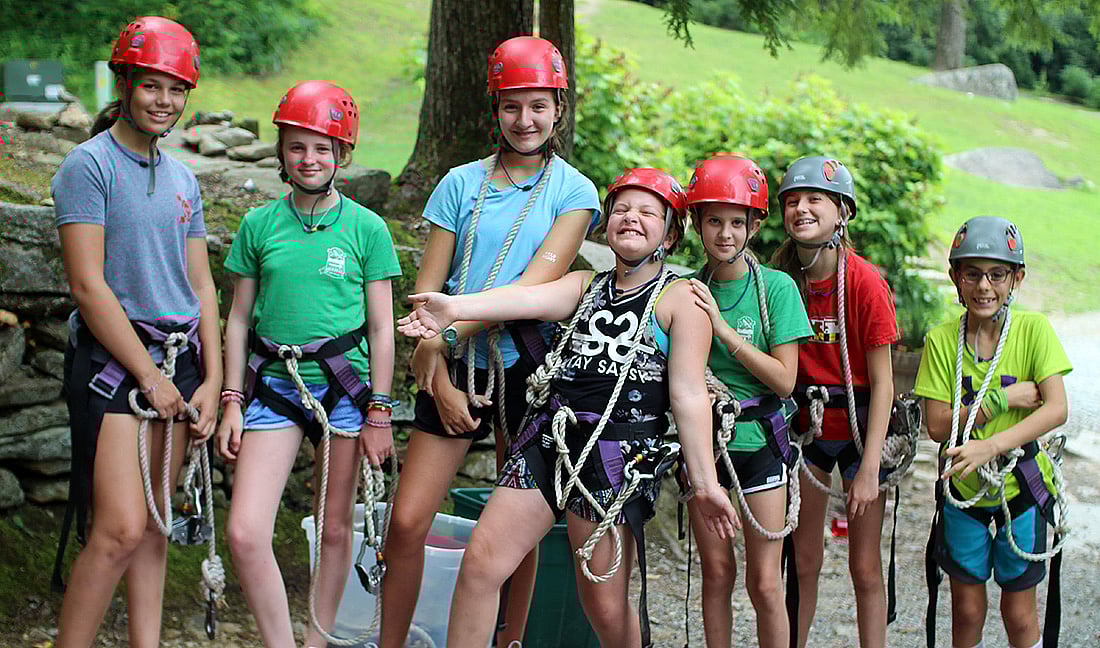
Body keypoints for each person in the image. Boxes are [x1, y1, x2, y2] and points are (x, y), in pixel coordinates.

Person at [398, 167, 740, 648]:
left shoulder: (682, 299)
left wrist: (704, 484)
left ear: (671, 230)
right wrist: (456, 309)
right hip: (550, 441)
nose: (631, 218)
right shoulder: (584, 285)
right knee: (480, 566)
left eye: (647, 211)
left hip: (616, 461)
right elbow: (525, 298)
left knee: (601, 601)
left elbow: (687, 395)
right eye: (622, 209)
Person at [380, 35, 600, 648]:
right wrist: (437, 363)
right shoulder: (458, 184)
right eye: (511, 106)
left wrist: (441, 334)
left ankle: (508, 641)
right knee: (407, 521)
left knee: (515, 532)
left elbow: (534, 287)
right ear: (494, 109)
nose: (524, 120)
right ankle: (389, 640)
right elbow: (427, 291)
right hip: (455, 364)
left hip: (529, 369)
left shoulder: (574, 193)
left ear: (558, 108)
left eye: (537, 106)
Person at [50, 16, 222, 647]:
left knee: (155, 523)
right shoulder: (88, 166)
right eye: (152, 85)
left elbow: (202, 286)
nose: (165, 101)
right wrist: (149, 377)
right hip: (119, 368)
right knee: (120, 528)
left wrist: (214, 380)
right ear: (124, 82)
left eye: (177, 90)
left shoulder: (182, 178)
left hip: (181, 366)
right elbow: (89, 285)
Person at [216, 80, 401, 648]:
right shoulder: (260, 225)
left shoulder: (366, 228)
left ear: (342, 153)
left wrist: (379, 411)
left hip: (344, 389)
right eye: (297, 146)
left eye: (322, 147)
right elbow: (239, 319)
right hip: (273, 385)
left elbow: (381, 327)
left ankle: (316, 640)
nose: (309, 158)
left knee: (336, 525)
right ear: (281, 153)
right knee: (246, 533)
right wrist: (231, 400)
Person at [915, 216, 1070, 648]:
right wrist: (1000, 402)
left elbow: (1056, 408)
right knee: (966, 612)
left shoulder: (1032, 331)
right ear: (955, 278)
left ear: (1016, 278)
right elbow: (937, 424)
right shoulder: (943, 341)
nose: (984, 286)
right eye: (973, 274)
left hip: (1019, 488)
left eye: (997, 274)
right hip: (963, 492)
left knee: (1019, 614)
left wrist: (992, 447)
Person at [683, 155, 812, 647]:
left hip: (762, 444)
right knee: (716, 573)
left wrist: (720, 329)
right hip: (707, 446)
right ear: (697, 224)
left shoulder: (777, 289)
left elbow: (784, 381)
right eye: (714, 221)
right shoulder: (688, 289)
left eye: (737, 222)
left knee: (764, 581)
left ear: (755, 225)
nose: (725, 234)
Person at [770, 156, 898, 648]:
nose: (802, 208)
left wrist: (868, 469)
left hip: (860, 429)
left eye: (814, 199)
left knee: (864, 567)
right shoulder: (781, 279)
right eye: (793, 201)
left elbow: (883, 383)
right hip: (806, 435)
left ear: (841, 210)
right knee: (802, 563)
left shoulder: (864, 282)